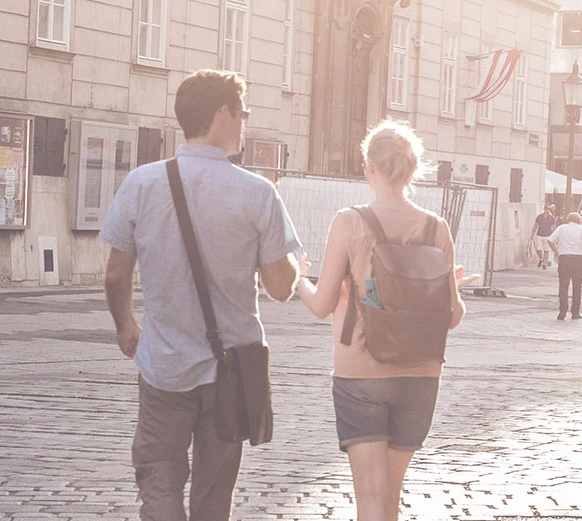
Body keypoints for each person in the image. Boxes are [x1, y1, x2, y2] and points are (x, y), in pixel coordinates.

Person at [100, 69, 302, 521]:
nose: (245, 123)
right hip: (230, 370)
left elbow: (115, 275)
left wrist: (126, 326)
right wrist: (290, 261)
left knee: (158, 476)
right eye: (243, 113)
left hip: (164, 365)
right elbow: (280, 288)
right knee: (214, 492)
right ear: (222, 114)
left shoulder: (142, 183)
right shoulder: (258, 192)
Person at [294, 120, 471, 521]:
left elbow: (322, 305)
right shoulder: (436, 227)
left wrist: (299, 280)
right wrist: (447, 289)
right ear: (412, 169)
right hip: (420, 375)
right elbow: (454, 316)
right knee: (391, 494)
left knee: (370, 497)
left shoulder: (349, 222)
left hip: (361, 370)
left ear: (367, 168)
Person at [547, 212, 582, 320]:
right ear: (579, 220)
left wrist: (556, 252)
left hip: (564, 258)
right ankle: (575, 312)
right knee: (577, 286)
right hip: (578, 259)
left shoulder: (561, 228)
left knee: (563, 286)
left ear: (568, 220)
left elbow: (550, 240)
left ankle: (562, 311)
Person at [531, 204, 557, 269]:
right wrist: (532, 235)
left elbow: (554, 227)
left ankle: (544, 264)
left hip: (548, 235)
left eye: (549, 209)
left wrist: (554, 236)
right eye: (546, 209)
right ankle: (541, 258)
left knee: (546, 250)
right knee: (538, 249)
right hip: (539, 235)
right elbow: (535, 225)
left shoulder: (552, 218)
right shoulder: (539, 217)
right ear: (544, 209)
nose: (547, 210)